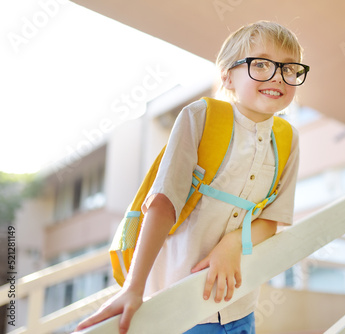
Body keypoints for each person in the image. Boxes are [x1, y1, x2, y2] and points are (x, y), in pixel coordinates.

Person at [76, 20, 309, 334]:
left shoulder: (287, 138)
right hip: (180, 308)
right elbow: (163, 203)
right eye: (263, 64)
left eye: (289, 68)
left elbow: (272, 218)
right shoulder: (200, 116)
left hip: (240, 307)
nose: (278, 77)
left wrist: (231, 245)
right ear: (227, 75)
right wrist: (134, 287)